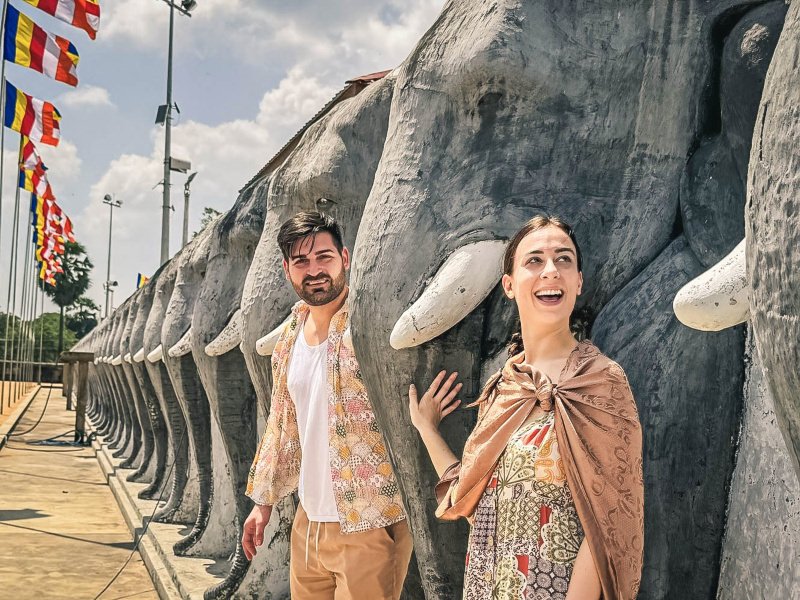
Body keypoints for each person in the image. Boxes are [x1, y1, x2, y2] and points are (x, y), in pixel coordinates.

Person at [408, 215, 644, 600]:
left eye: (563, 259)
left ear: (578, 281)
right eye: (534, 260)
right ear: (509, 285)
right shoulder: (505, 387)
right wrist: (427, 429)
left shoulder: (601, 382)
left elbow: (609, 525)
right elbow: (474, 498)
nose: (551, 270)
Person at [242, 210, 412, 600]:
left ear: (345, 258)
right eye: (301, 261)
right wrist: (262, 504)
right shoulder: (287, 339)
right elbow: (281, 424)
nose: (314, 269)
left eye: (324, 257)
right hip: (308, 524)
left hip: (369, 521)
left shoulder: (371, 325)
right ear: (287, 270)